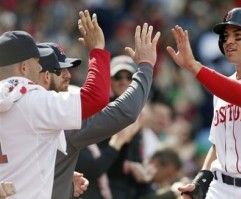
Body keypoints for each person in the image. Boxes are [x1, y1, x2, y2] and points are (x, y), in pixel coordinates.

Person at [167, 7, 241, 199]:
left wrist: (194, 66)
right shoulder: (224, 87)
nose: (229, 41)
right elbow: (218, 146)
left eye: (238, 36)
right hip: (220, 188)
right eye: (225, 36)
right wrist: (201, 181)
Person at [36, 22, 160, 199]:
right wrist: (146, 65)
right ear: (44, 75)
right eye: (60, 70)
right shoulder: (58, 116)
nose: (68, 75)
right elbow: (124, 111)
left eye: (128, 77)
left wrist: (62, 180)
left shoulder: (12, 106)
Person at [0, 9, 111, 199]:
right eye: (37, 62)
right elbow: (96, 97)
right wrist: (97, 51)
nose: (40, 67)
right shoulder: (32, 101)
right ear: (24, 67)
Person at [75, 54, 157, 199]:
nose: (123, 82)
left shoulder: (138, 112)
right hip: (102, 187)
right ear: (110, 80)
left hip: (127, 188)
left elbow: (134, 157)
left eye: (129, 77)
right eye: (118, 77)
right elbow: (92, 165)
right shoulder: (101, 110)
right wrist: (118, 143)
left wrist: (140, 168)